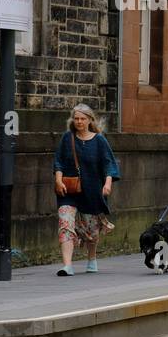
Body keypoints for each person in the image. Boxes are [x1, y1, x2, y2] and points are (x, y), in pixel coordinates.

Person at [52, 104, 121, 276]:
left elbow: (108, 164)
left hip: (92, 191)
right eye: (76, 118)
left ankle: (91, 258)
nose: (79, 122)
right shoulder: (67, 138)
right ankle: (67, 265)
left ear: (90, 120)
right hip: (69, 191)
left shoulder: (99, 140)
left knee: (92, 231)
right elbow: (58, 161)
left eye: (83, 118)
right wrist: (58, 180)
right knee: (65, 223)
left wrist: (108, 183)